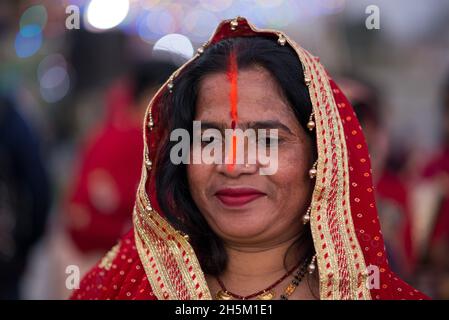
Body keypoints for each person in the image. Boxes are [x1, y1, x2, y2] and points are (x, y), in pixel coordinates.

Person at [70, 17, 428, 300]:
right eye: (209, 139)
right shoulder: (119, 283)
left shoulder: (376, 292)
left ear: (323, 156)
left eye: (268, 140)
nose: (233, 164)